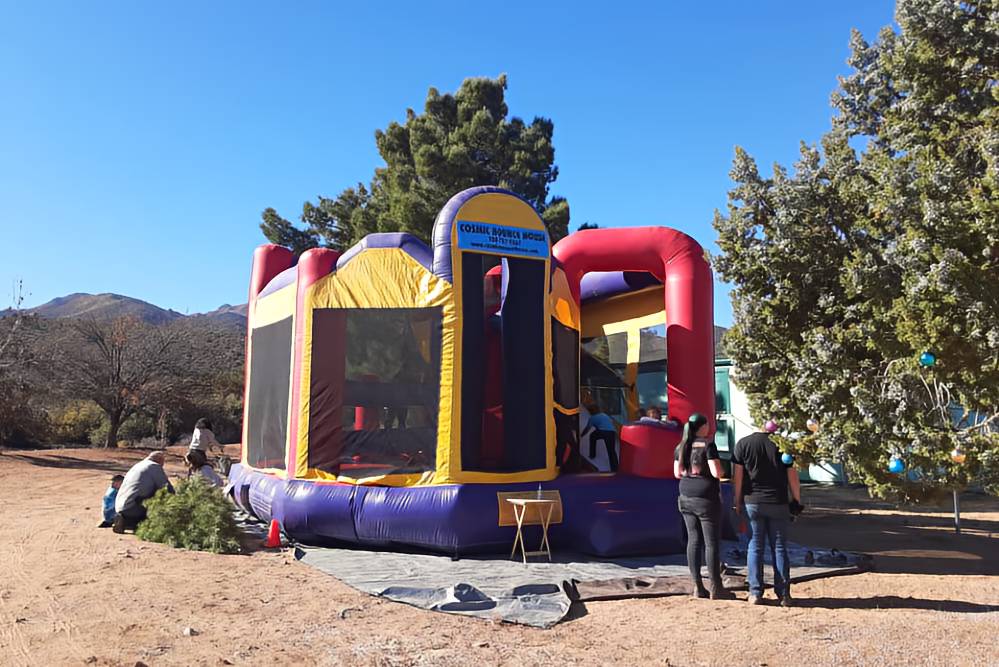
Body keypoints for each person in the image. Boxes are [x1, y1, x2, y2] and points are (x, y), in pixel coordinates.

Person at [732, 427, 802, 606]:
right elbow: (792, 475)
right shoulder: (783, 445)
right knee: (779, 547)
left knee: (755, 546)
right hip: (778, 502)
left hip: (752, 502)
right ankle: (784, 593)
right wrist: (796, 499)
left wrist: (737, 500)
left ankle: (755, 592)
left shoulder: (743, 444)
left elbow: (738, 476)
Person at [674, 413, 734, 599]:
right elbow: (716, 472)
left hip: (685, 496)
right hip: (706, 498)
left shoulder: (681, 446)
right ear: (702, 427)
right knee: (711, 542)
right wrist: (722, 469)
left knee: (693, 540)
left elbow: (677, 473)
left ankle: (697, 586)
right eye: (708, 423)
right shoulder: (708, 445)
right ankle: (716, 587)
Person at [113, 451, 174, 533]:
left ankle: (124, 521)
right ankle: (132, 522)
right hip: (133, 507)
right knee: (158, 497)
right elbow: (167, 487)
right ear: (159, 459)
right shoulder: (154, 466)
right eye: (163, 462)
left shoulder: (138, 466)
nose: (162, 465)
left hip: (120, 506)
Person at [583, 403, 619, 472]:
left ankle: (592, 454)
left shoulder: (592, 418)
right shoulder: (604, 415)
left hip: (603, 432)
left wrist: (581, 435)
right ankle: (615, 468)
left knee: (592, 436)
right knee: (611, 451)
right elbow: (610, 423)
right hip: (612, 432)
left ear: (591, 412)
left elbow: (587, 429)